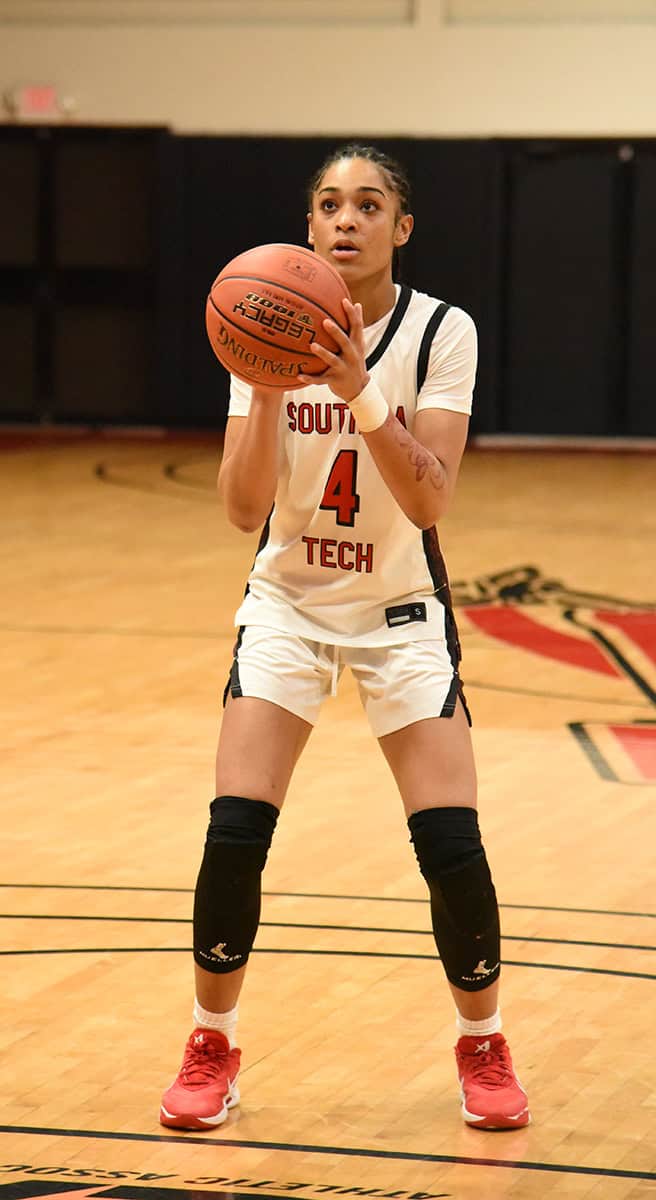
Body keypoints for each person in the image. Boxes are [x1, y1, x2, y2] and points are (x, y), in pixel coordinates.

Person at [160, 144, 530, 1133]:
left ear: (399, 229)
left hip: (400, 612)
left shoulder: (441, 331)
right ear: (309, 223)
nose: (345, 219)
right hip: (286, 603)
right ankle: (210, 1042)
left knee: (450, 843)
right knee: (233, 830)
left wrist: (359, 387)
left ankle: (481, 1044)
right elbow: (243, 511)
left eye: (368, 205)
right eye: (328, 203)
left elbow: (428, 493)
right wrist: (271, 383)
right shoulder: (261, 324)